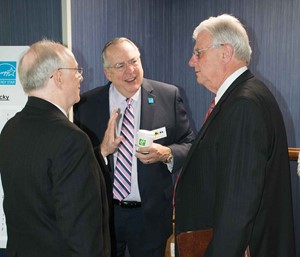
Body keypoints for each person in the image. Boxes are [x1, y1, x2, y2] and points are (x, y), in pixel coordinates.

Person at [175, 14, 296, 257]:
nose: (191, 61)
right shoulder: (244, 96)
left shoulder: (243, 105)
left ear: (225, 53)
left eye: (198, 53)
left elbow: (238, 206)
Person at [73, 37, 195, 257]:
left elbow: (190, 144)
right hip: (105, 214)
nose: (130, 71)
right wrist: (102, 149)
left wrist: (167, 154)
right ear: (107, 72)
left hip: (150, 216)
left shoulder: (168, 96)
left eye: (134, 61)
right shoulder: (86, 105)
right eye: (120, 66)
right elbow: (77, 161)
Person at [0, 40, 110, 257]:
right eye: (76, 70)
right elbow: (82, 235)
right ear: (58, 77)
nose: (81, 77)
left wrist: (101, 152)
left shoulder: (10, 129)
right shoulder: (72, 139)